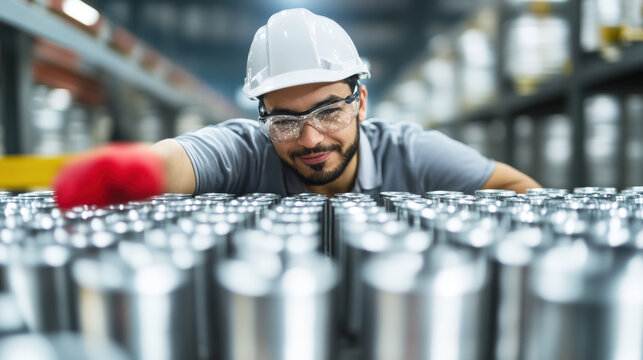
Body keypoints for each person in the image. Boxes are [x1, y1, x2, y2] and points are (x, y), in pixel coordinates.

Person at [54, 8, 540, 209]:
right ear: (263, 118)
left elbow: (520, 189)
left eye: (329, 111)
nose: (310, 140)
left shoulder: (409, 154)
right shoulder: (250, 149)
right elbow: (184, 160)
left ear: (361, 104)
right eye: (286, 120)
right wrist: (133, 170)